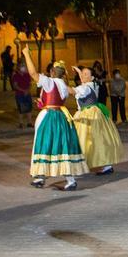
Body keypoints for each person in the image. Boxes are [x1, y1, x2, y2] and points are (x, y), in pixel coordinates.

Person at [23, 48, 88, 191]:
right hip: (62, 117)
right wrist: (42, 103)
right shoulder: (64, 86)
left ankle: (42, 177)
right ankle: (63, 179)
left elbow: (33, 73)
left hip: (50, 117)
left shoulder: (49, 82)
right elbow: (57, 100)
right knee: (61, 146)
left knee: (45, 144)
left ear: (52, 72)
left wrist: (27, 54)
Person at [72, 65, 123, 176]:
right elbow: (83, 80)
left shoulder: (86, 87)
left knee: (86, 140)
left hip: (89, 115)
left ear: (92, 77)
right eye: (82, 74)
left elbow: (73, 91)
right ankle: (104, 165)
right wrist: (79, 71)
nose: (83, 76)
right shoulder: (92, 84)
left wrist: (58, 84)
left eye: (86, 74)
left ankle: (81, 164)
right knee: (97, 141)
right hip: (93, 113)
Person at [12, 61, 33, 128]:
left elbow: (30, 84)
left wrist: (28, 90)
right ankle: (21, 123)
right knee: (21, 109)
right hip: (20, 94)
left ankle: (29, 122)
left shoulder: (27, 75)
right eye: (22, 66)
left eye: (24, 66)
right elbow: (15, 86)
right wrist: (23, 90)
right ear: (18, 67)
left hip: (27, 94)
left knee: (29, 108)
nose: (24, 67)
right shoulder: (15, 75)